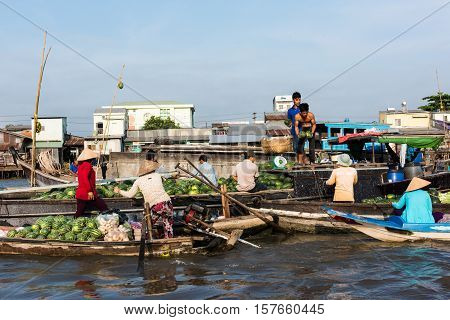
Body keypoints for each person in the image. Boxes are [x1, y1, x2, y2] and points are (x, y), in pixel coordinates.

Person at [114, 160, 174, 238]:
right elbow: (164, 180)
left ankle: (145, 241)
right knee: (168, 226)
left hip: (156, 206)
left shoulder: (138, 181)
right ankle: (169, 241)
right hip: (167, 203)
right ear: (153, 169)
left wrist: (119, 191)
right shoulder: (158, 175)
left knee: (146, 225)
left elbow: (130, 194)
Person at [75, 149, 108, 217]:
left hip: (82, 193)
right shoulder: (87, 165)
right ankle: (108, 218)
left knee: (79, 211)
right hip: (86, 193)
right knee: (103, 207)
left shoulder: (81, 165)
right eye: (93, 158)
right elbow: (85, 179)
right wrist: (89, 191)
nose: (93, 160)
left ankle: (107, 218)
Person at [287, 92, 301, 161]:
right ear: (293, 100)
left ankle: (300, 161)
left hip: (301, 130)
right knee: (295, 147)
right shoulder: (290, 111)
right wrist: (288, 123)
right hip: (293, 131)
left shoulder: (302, 109)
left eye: (299, 99)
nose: (298, 101)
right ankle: (297, 161)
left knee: (301, 147)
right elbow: (289, 121)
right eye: (297, 100)